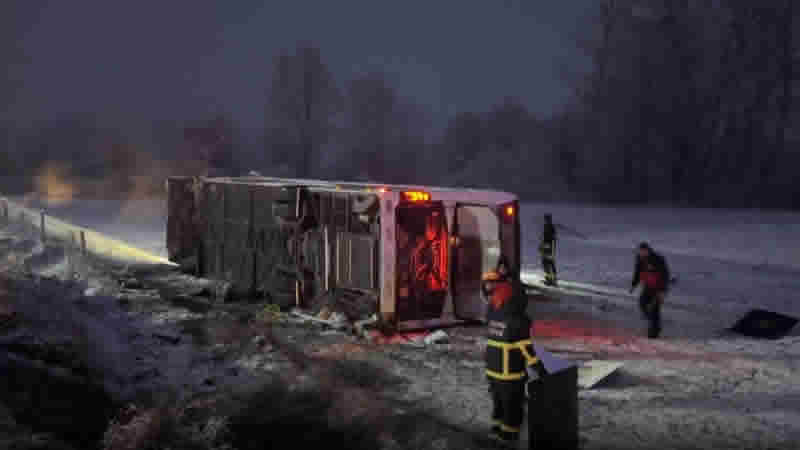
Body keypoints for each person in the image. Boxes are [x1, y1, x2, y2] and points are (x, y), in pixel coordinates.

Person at [483, 256, 546, 446]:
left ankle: (496, 427)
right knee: (512, 405)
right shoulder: (517, 320)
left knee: (498, 402)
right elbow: (524, 346)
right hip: (509, 371)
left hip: (492, 368)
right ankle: (508, 435)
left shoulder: (493, 311)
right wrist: (538, 366)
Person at [630, 242, 670, 338]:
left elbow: (665, 275)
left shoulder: (658, 259)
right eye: (640, 252)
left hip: (658, 287)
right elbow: (637, 272)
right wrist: (633, 285)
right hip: (648, 286)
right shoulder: (639, 259)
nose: (641, 253)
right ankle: (653, 323)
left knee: (655, 309)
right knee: (642, 303)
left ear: (648, 250)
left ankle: (654, 332)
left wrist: (662, 291)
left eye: (643, 251)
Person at [540, 214, 558, 286]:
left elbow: (552, 239)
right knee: (546, 263)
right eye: (545, 220)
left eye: (547, 220)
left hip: (549, 247)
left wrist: (551, 248)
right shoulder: (547, 227)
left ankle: (552, 280)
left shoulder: (551, 228)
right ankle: (549, 278)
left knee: (548, 263)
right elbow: (544, 238)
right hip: (546, 246)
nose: (546, 221)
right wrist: (541, 245)